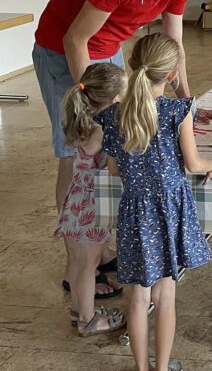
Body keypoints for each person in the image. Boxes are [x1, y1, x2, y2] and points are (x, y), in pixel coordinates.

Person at [32, 0, 212, 292]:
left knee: (114, 146)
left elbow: (175, 49)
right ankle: (78, 267)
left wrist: (187, 102)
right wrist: (92, 103)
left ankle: (101, 250)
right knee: (76, 152)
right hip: (62, 51)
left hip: (107, 51)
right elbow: (74, 39)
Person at [95, 33, 212, 371]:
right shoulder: (177, 110)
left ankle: (141, 368)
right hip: (170, 210)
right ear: (171, 75)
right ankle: (162, 367)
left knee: (138, 296)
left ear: (133, 65)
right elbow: (193, 163)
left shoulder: (114, 115)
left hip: (134, 211)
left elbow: (113, 168)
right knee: (165, 295)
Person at [56, 63, 128, 337]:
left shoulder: (84, 120)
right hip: (92, 207)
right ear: (115, 99)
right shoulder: (102, 129)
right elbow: (111, 166)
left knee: (78, 262)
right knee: (88, 265)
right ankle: (88, 320)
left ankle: (79, 310)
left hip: (76, 203)